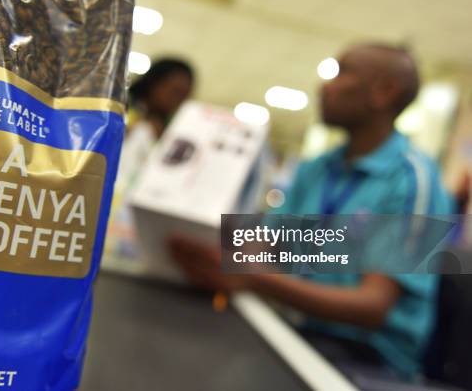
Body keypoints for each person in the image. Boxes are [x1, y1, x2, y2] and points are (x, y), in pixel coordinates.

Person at [170, 43, 454, 381]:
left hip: (368, 360)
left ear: (384, 92)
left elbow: (372, 308)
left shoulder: (412, 180)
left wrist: (250, 277)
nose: (325, 85)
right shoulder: (318, 168)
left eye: (341, 72)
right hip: (299, 332)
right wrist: (214, 250)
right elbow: (267, 243)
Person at [116, 58, 194, 195]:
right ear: (154, 82)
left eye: (184, 95)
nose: (178, 100)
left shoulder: (171, 129)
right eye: (175, 91)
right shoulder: (119, 107)